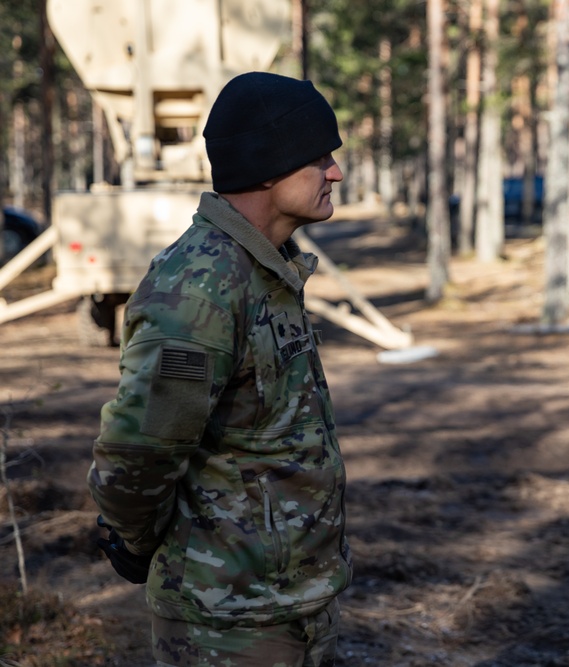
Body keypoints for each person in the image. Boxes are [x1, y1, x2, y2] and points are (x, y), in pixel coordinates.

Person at [89, 71, 351, 666]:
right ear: (266, 166)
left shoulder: (267, 269)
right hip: (228, 621)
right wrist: (134, 541)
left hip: (291, 604)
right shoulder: (201, 289)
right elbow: (139, 451)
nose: (335, 171)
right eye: (318, 157)